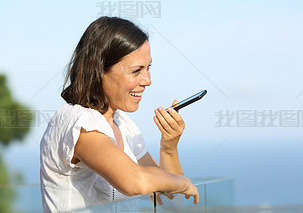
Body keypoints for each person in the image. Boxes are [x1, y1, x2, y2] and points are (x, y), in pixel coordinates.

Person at [40, 16, 199, 212]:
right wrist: (182, 182)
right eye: (136, 71)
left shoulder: (124, 126)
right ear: (99, 70)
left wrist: (169, 148)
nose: (147, 80)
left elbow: (170, 203)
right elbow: (135, 181)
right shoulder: (78, 121)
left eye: (148, 68)